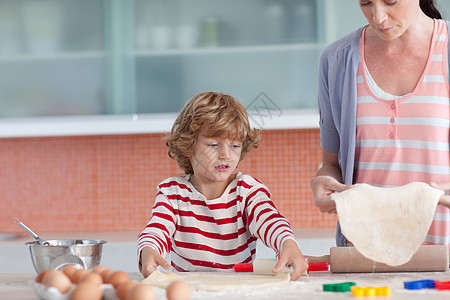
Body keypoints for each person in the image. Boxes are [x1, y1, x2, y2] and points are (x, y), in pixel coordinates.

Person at [312, 0, 450, 248]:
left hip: (444, 254)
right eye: (366, 3)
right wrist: (323, 181)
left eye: (390, 1)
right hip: (364, 254)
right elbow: (332, 164)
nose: (378, 17)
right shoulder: (336, 60)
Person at [138, 91, 308, 280]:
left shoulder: (247, 192)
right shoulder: (172, 194)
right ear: (189, 146)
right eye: (213, 145)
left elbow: (270, 220)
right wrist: (149, 250)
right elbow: (157, 229)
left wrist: (287, 243)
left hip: (239, 291)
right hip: (191, 292)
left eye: (235, 145)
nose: (226, 155)